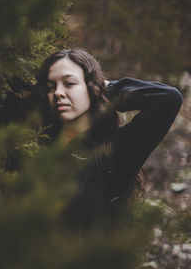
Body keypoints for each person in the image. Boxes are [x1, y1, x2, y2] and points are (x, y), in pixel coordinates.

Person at [38, 48, 182, 231]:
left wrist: (106, 88)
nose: (58, 92)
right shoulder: (38, 141)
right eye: (51, 87)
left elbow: (167, 99)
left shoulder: (114, 150)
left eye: (69, 83)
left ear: (90, 87)